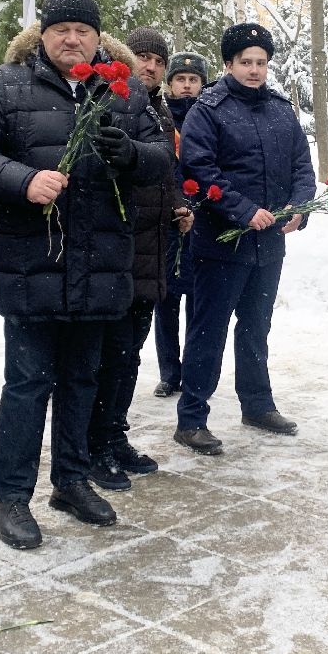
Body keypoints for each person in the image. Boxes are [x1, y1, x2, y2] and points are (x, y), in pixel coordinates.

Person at [0, 0, 171, 549]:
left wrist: (130, 155)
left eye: (82, 30)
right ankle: (11, 498)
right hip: (34, 263)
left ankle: (70, 480)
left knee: (81, 380)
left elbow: (161, 158)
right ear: (42, 36)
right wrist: (23, 181)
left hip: (100, 264)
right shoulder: (8, 86)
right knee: (27, 385)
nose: (71, 39)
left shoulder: (121, 90)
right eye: (60, 30)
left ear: (98, 38)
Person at [174, 23, 314, 456]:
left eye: (261, 63)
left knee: (256, 328)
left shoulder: (280, 110)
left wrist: (299, 208)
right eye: (246, 62)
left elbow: (301, 167)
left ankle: (257, 405)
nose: (255, 70)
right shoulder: (208, 110)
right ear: (228, 64)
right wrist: (242, 210)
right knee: (208, 331)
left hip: (268, 245)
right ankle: (192, 418)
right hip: (221, 243)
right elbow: (199, 169)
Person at [87, 28, 188, 490]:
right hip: (118, 248)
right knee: (108, 354)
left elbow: (162, 173)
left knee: (130, 354)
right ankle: (93, 445)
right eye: (142, 57)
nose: (150, 66)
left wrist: (176, 209)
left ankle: (114, 434)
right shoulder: (109, 101)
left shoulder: (159, 112)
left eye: (158, 61)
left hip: (151, 248)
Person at [153, 51, 210, 398]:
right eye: (180, 79)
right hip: (168, 220)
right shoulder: (158, 116)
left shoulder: (211, 116)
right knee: (167, 300)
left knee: (199, 303)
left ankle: (194, 369)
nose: (187, 86)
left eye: (193, 80)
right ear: (170, 84)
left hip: (203, 218)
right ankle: (168, 371)